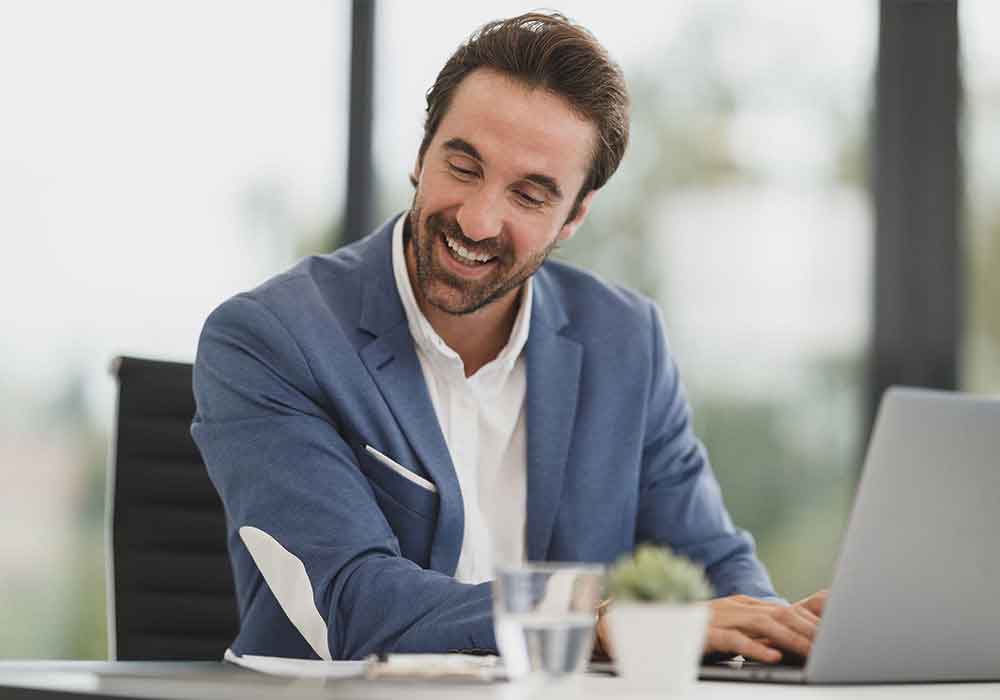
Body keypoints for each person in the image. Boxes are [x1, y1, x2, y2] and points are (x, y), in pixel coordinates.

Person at [191, 11, 826, 663]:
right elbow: (354, 603)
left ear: (574, 215)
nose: (477, 220)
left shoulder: (627, 343)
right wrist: (588, 623)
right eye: (464, 167)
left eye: (529, 195)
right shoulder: (271, 340)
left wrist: (786, 632)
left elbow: (712, 564)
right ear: (421, 155)